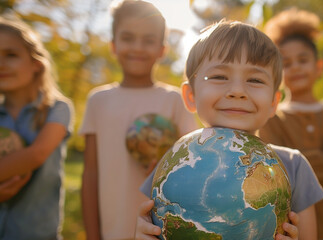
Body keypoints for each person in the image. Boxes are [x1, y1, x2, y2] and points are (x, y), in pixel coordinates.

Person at [135, 20, 323, 240]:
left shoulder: (294, 166)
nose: (237, 91)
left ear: (274, 102)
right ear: (191, 96)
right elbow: (146, 225)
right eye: (219, 77)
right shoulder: (173, 164)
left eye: (255, 79)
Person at [79, 1, 198, 239]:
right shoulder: (98, 100)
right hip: (111, 228)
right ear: (113, 45)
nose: (137, 47)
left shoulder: (176, 100)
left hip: (159, 230)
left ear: (162, 49)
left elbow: (192, 164)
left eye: (148, 40)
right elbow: (90, 173)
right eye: (128, 38)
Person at [258, 8, 323, 240]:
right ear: (277, 73)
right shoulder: (271, 118)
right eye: (287, 63)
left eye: (303, 60)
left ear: (319, 66)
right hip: (289, 230)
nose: (296, 68)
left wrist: (297, 162)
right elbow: (277, 175)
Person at [0, 14, 74, 239]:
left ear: (36, 64)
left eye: (11, 55)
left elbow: (36, 154)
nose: (1, 63)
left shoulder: (58, 109)